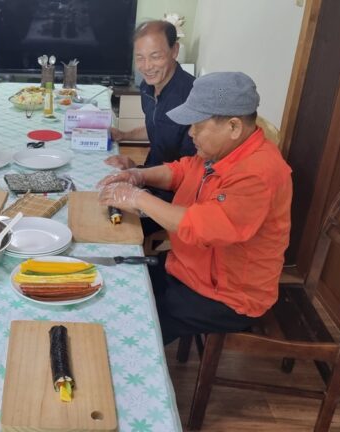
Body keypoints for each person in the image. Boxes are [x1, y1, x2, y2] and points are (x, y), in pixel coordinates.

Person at [97, 72, 292, 345]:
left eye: (198, 125)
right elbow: (182, 170)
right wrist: (139, 175)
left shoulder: (258, 174)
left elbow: (202, 227)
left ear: (233, 127)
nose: (191, 133)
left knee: (134, 326)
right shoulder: (222, 151)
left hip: (225, 295)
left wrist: (137, 198)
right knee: (116, 282)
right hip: (187, 267)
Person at [105, 20, 196, 171]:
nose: (146, 66)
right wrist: (123, 135)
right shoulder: (147, 87)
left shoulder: (191, 98)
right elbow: (157, 127)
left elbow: (190, 170)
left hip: (174, 188)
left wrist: (137, 171)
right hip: (152, 171)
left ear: (174, 51)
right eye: (140, 57)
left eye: (155, 56)